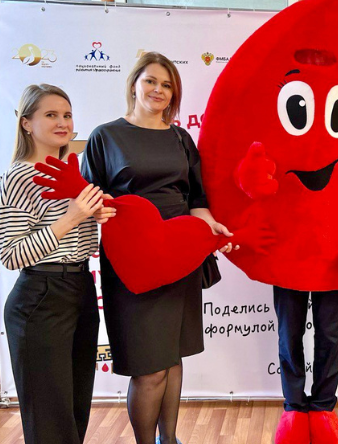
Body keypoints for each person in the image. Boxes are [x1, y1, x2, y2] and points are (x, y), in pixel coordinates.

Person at [81, 52, 234, 444]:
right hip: (133, 264)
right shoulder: (105, 136)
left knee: (171, 357)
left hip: (179, 258)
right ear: (134, 83)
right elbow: (88, 198)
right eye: (151, 81)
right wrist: (99, 210)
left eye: (167, 85)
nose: (158, 90)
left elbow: (196, 198)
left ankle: (170, 439)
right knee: (149, 368)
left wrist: (211, 227)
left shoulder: (181, 138)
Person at [0, 84, 102, 444]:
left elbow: (85, 242)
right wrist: (71, 218)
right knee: (49, 419)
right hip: (41, 296)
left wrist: (101, 216)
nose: (62, 122)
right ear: (26, 123)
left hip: (80, 288)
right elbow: (11, 254)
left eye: (67, 115)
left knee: (74, 410)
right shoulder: (18, 178)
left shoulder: (74, 174)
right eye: (51, 115)